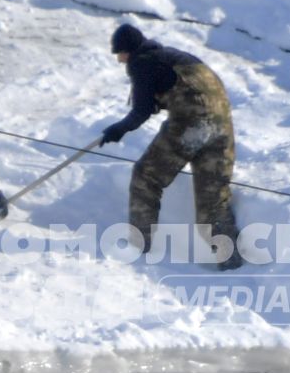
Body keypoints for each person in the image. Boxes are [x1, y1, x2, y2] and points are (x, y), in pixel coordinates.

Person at [100, 22, 241, 267]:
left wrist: (118, 129)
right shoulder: (172, 56)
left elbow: (141, 110)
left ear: (128, 50)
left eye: (119, 54)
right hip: (222, 126)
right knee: (213, 199)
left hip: (192, 125)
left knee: (146, 177)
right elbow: (178, 90)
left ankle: (138, 247)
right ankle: (232, 262)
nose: (119, 60)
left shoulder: (141, 62)